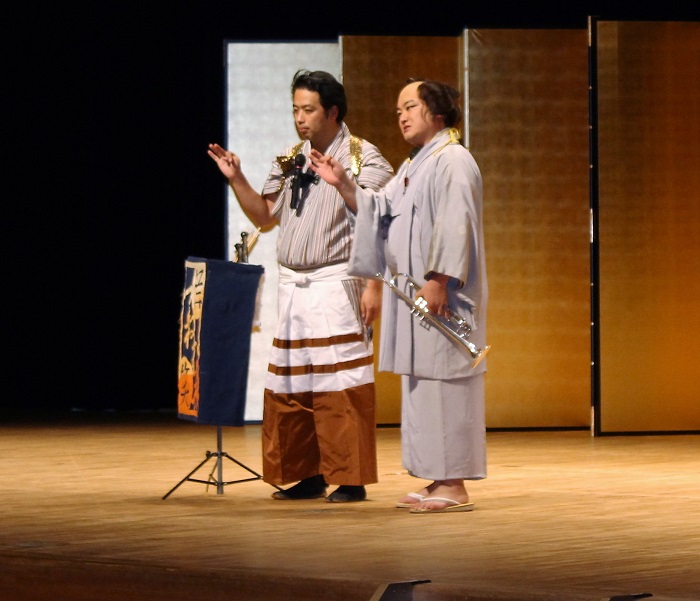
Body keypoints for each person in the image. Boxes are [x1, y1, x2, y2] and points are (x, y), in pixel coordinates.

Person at [208, 70, 394, 503]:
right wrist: (236, 178)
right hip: (293, 285)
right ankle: (307, 474)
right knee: (293, 385)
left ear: (332, 111)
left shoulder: (363, 156)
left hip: (336, 281)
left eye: (308, 110)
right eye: (295, 109)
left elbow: (378, 219)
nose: (299, 118)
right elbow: (264, 216)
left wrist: (374, 285)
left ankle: (350, 478)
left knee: (340, 384)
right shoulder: (291, 158)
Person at [310, 78, 488, 514]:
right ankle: (437, 477)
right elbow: (378, 209)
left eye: (410, 107)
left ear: (437, 112)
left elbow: (455, 223)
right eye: (398, 110)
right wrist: (343, 184)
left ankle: (454, 484)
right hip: (415, 293)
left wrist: (439, 279)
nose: (402, 116)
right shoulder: (415, 164)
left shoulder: (453, 159)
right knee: (422, 384)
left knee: (445, 384)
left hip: (440, 292)